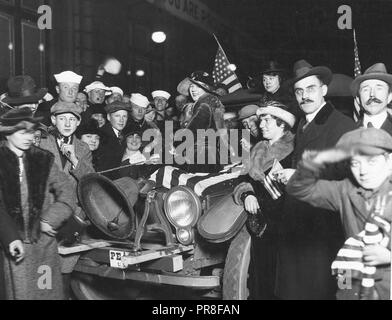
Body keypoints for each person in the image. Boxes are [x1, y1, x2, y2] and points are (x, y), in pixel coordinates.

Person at [274, 59, 357, 300]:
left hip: (324, 231)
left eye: (311, 89)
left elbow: (348, 178)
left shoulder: (343, 126)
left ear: (324, 90)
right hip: (298, 228)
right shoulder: (302, 124)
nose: (304, 96)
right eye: (299, 91)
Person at [287, 127, 392, 300]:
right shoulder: (345, 190)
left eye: (371, 162)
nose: (363, 171)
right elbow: (298, 189)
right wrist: (315, 161)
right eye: (355, 163)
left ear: (389, 162)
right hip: (348, 273)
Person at [0, 107, 75, 300]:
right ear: (7, 133)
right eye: (22, 131)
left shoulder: (42, 159)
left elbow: (66, 190)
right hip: (15, 248)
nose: (29, 136)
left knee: (47, 292)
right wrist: (10, 237)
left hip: (44, 246)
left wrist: (50, 219)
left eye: (32, 131)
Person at [233, 101, 296, 300]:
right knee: (259, 281)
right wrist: (247, 194)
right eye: (261, 121)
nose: (261, 125)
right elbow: (242, 178)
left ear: (282, 124)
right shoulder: (258, 148)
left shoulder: (294, 151)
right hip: (261, 227)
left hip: (285, 227)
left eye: (267, 121)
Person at [40, 101, 94, 222]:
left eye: (72, 119)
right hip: (45, 212)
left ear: (78, 122)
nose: (68, 124)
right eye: (62, 119)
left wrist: (74, 160)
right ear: (54, 120)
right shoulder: (42, 143)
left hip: (74, 213)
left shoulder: (83, 148)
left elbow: (90, 181)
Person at [176, 71, 230, 173]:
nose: (193, 89)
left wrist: (175, 145)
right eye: (191, 86)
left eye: (198, 86)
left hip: (201, 155)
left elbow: (191, 132)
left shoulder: (204, 104)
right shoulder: (213, 101)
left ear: (206, 88)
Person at [351, 63, 392, 134]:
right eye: (366, 89)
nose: (372, 94)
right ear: (358, 100)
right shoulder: (348, 131)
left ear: (389, 97)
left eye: (379, 88)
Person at [96, 101, 131, 180]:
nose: (121, 120)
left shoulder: (123, 135)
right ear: (108, 117)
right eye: (117, 116)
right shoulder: (102, 136)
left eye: (124, 116)